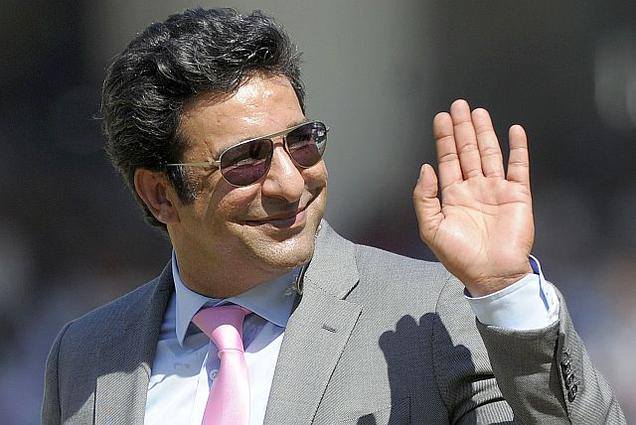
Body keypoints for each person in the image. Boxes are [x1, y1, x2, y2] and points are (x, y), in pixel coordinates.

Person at [42, 7, 624, 425]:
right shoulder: (86, 355)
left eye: (301, 141)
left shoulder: (434, 313)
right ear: (160, 195)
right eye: (245, 160)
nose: (291, 183)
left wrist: (506, 292)